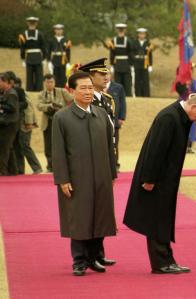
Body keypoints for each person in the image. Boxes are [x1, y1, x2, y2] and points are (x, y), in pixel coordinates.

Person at [123, 95, 196, 274]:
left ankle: (167, 259)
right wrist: (149, 179)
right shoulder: (169, 117)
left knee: (163, 219)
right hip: (156, 179)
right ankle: (161, 263)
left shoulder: (179, 116)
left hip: (165, 180)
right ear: (193, 107)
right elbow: (155, 150)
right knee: (156, 220)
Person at [52, 71, 117, 276]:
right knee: (79, 219)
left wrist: (112, 173)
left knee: (100, 217)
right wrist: (62, 179)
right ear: (71, 91)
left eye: (90, 87)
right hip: (77, 178)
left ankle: (94, 257)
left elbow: (110, 148)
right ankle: (79, 261)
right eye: (83, 88)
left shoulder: (101, 115)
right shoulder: (61, 118)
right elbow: (58, 152)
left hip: (101, 177)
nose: (88, 92)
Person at [37, 74, 73, 172]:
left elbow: (72, 100)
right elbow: (39, 106)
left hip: (62, 122)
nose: (50, 84)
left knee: (63, 144)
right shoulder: (41, 94)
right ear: (44, 83)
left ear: (54, 82)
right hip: (47, 123)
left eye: (51, 82)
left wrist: (64, 109)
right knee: (48, 146)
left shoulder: (62, 91)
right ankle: (50, 166)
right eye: (47, 82)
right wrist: (50, 106)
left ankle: (64, 166)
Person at [13, 77, 42, 174]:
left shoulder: (22, 93)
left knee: (25, 146)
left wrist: (29, 123)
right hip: (20, 124)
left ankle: (37, 167)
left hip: (25, 125)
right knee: (18, 147)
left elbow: (29, 109)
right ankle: (20, 170)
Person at [105, 72, 126, 169]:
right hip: (101, 122)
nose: (105, 76)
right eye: (103, 74)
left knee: (114, 144)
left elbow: (122, 103)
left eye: (107, 74)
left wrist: (121, 117)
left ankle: (115, 164)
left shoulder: (118, 87)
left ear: (111, 75)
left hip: (114, 122)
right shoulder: (97, 87)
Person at [18, 16, 46, 92]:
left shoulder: (40, 34)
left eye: (33, 23)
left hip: (37, 56)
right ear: (27, 23)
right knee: (29, 74)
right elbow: (22, 47)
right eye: (31, 23)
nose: (32, 25)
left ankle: (39, 89)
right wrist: (23, 58)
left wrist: (44, 58)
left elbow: (43, 46)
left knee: (39, 74)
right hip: (29, 57)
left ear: (36, 24)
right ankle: (30, 89)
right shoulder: (24, 34)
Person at [0, 73, 20, 175]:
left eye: (0, 81)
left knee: (4, 148)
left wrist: (1, 106)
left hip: (10, 124)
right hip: (7, 124)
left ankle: (2, 171)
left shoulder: (11, 93)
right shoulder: (6, 92)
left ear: (6, 82)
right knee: (8, 147)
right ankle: (13, 171)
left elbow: (12, 108)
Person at [108, 24, 133, 96]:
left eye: (122, 30)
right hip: (119, 64)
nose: (121, 31)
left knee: (127, 82)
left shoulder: (128, 41)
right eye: (120, 30)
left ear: (125, 30)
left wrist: (131, 64)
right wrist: (112, 64)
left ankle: (128, 96)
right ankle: (117, 96)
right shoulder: (113, 40)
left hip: (125, 63)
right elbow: (112, 53)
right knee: (118, 82)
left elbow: (131, 53)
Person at [131, 28, 153, 97]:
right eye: (140, 34)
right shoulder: (134, 43)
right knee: (137, 80)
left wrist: (150, 65)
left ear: (145, 35)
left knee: (145, 80)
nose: (142, 35)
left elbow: (150, 55)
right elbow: (131, 53)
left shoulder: (148, 43)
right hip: (137, 63)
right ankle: (138, 95)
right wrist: (132, 64)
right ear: (138, 34)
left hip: (145, 64)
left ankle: (146, 95)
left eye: (143, 34)